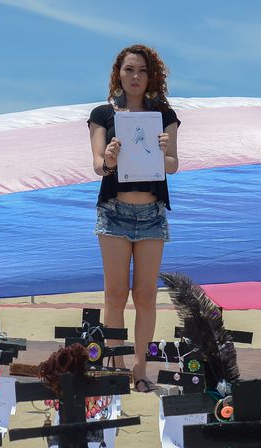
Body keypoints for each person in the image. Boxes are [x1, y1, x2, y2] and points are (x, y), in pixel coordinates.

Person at [87, 44, 180, 393]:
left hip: (152, 212)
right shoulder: (102, 114)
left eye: (141, 70)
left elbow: (173, 164)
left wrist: (161, 151)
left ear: (151, 76)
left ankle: (140, 369)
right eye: (129, 70)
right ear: (118, 74)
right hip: (114, 212)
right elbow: (98, 166)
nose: (135, 76)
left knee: (145, 295)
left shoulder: (164, 115)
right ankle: (116, 365)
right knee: (114, 294)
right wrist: (109, 157)